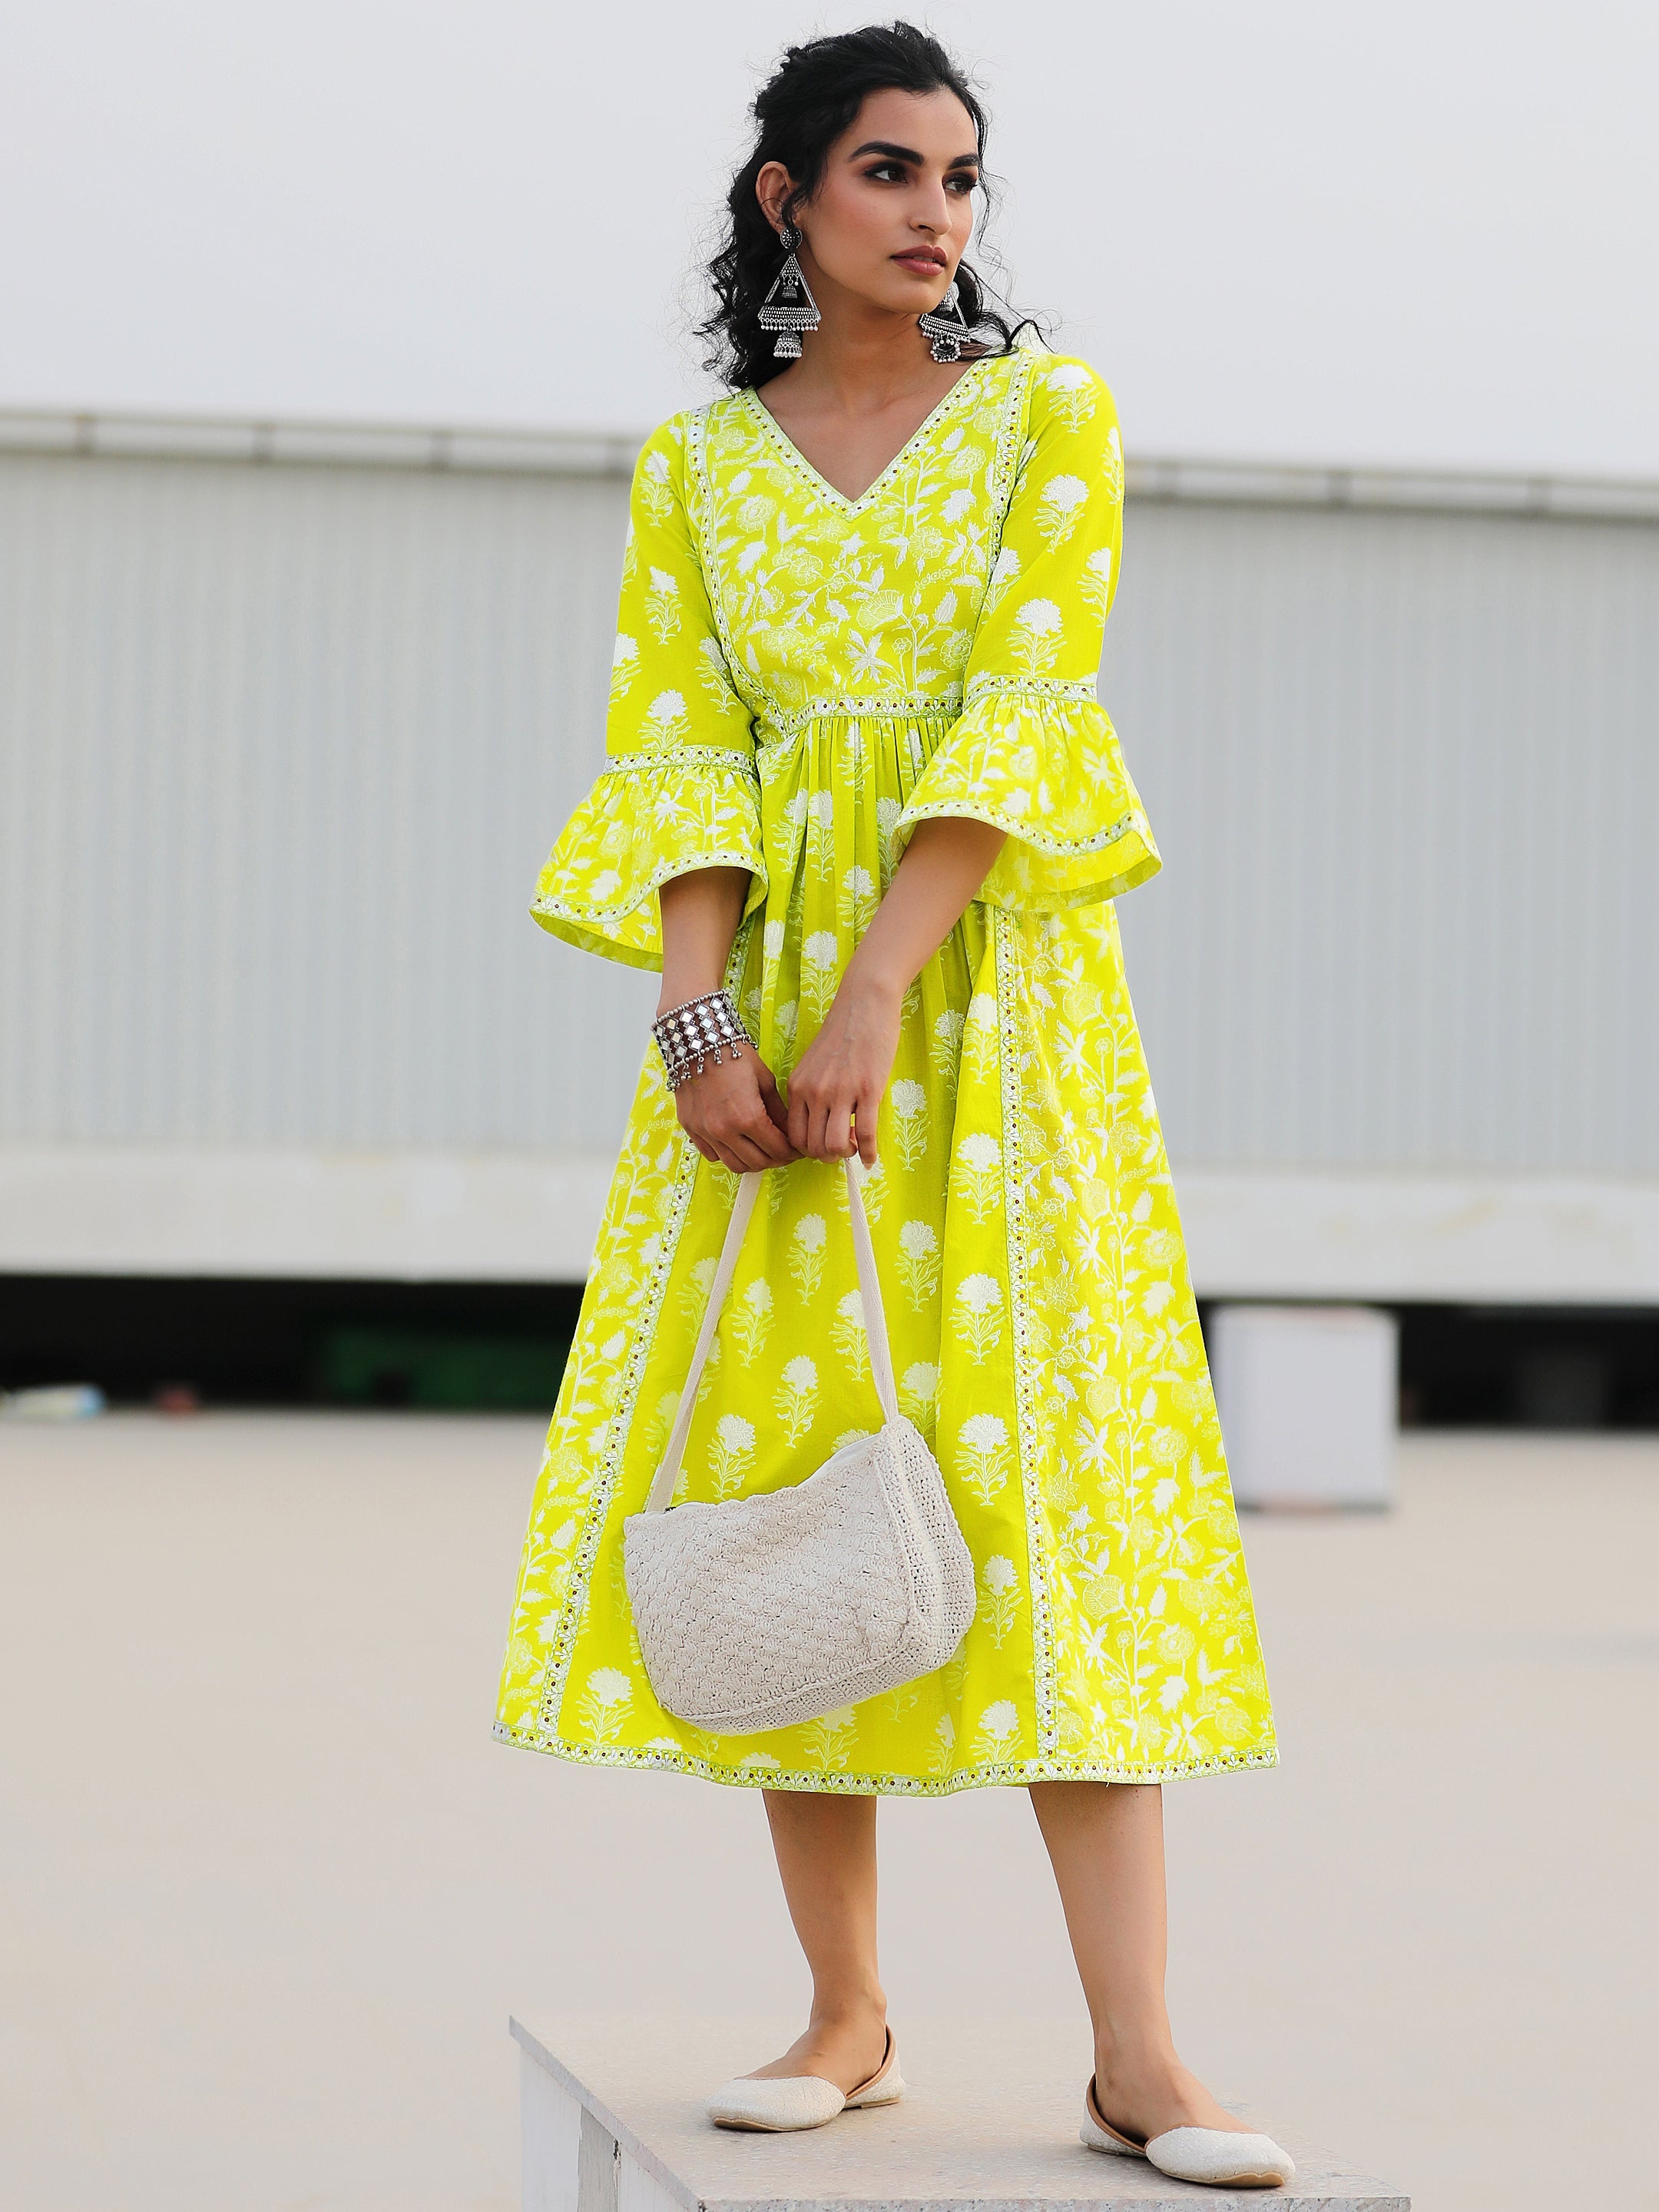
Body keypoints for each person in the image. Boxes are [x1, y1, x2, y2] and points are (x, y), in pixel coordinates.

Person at [495, 22, 1290, 2191]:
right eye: (888, 171)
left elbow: (1034, 712)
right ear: (787, 199)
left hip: (990, 1021)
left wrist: (867, 997)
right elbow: (678, 758)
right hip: (764, 1042)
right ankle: (845, 2018)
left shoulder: (1047, 416)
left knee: (1055, 1496)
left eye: (961, 177)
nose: (938, 213)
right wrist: (701, 1030)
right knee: (795, 1485)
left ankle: (1143, 2059)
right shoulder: (698, 465)